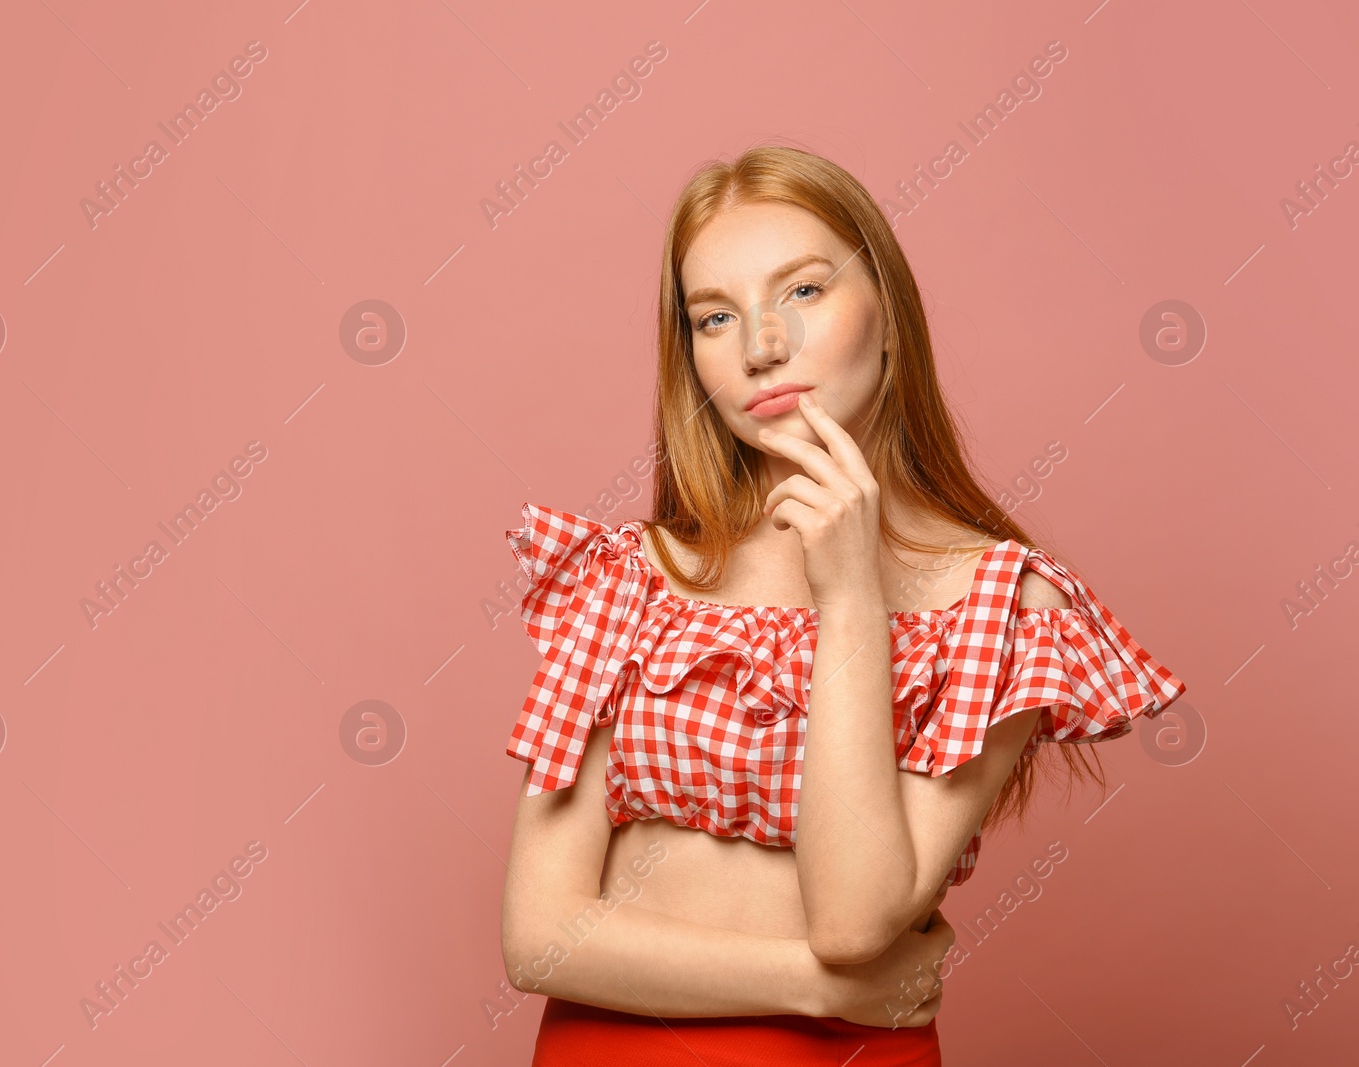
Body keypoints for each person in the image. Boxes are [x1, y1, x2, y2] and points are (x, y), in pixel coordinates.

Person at [497, 144, 1187, 1065]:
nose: (760, 346)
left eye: (804, 292)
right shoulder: (626, 578)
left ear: (891, 316)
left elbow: (856, 918)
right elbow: (538, 936)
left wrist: (852, 594)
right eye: (714, 316)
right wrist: (814, 987)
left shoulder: (1005, 609)